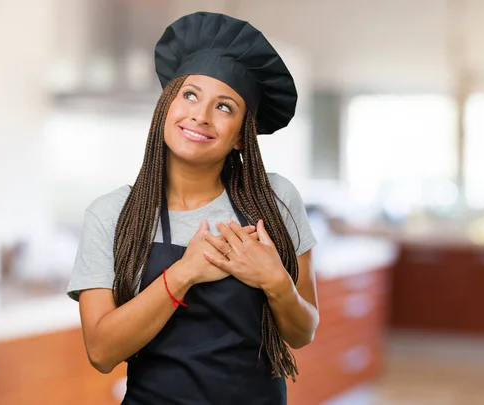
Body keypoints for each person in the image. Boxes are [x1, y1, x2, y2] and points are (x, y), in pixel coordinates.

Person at [66, 11, 319, 405]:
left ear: (240, 137)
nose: (200, 115)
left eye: (224, 107)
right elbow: (101, 352)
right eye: (189, 95)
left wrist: (274, 280)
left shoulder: (275, 200)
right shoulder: (112, 214)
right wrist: (184, 273)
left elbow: (302, 332)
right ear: (166, 106)